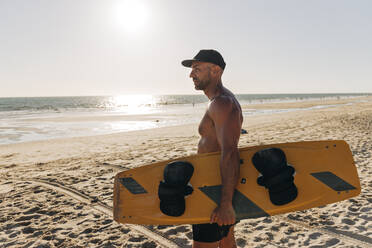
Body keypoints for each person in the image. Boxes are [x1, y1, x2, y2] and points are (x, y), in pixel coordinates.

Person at [182, 50, 243, 248]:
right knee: (227, 243)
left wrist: (225, 203)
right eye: (192, 70)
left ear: (216, 70)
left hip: (213, 190)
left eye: (197, 69)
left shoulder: (222, 103)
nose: (191, 75)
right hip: (219, 186)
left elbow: (230, 152)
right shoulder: (218, 101)